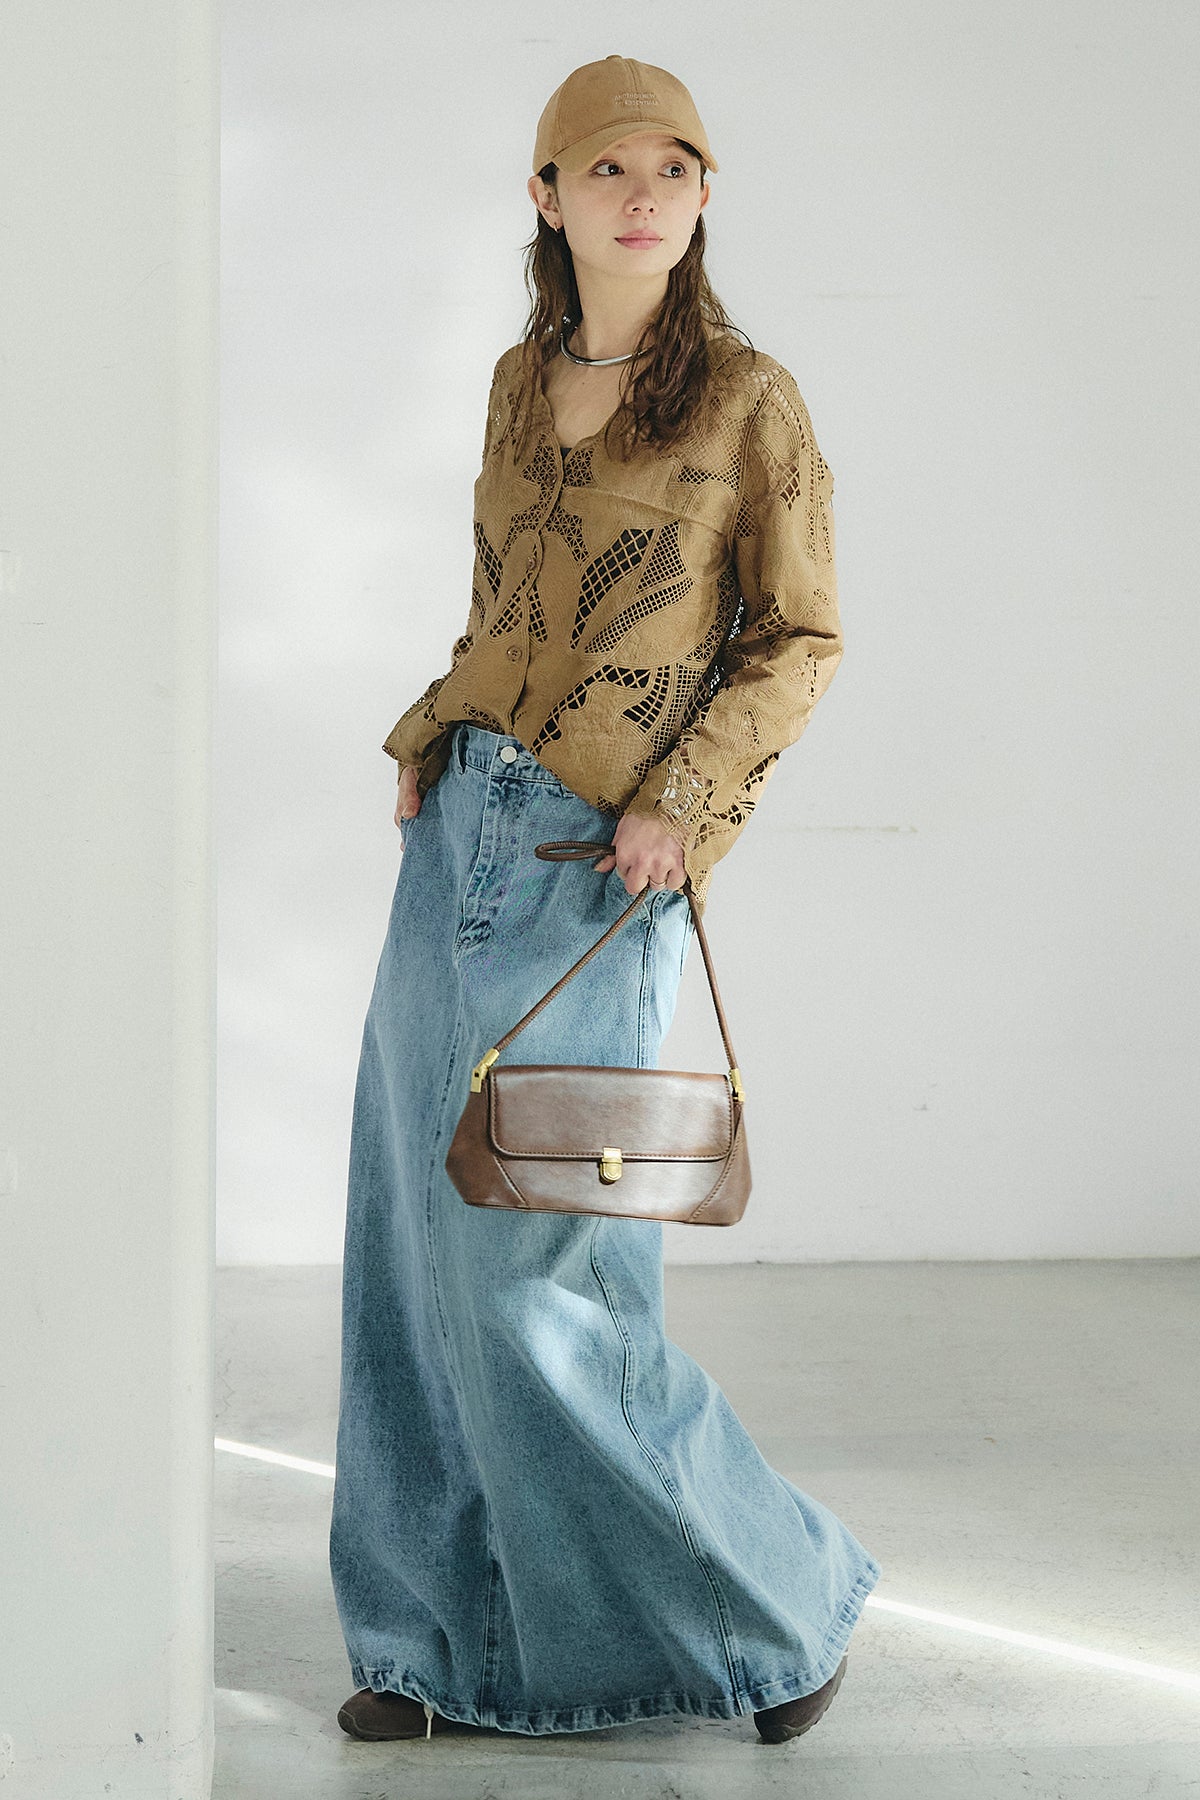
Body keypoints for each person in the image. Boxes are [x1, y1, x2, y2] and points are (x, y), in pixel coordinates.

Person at [329, 53, 882, 1748]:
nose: (644, 194)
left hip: (598, 865)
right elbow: (504, 605)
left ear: (704, 197)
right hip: (460, 838)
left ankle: (777, 1611)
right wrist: (429, 734)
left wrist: (681, 805)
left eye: (674, 168)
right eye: (607, 167)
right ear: (547, 197)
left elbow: (799, 640)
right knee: (412, 1257)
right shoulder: (520, 382)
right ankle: (431, 1649)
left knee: (546, 1282)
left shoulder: (750, 400)